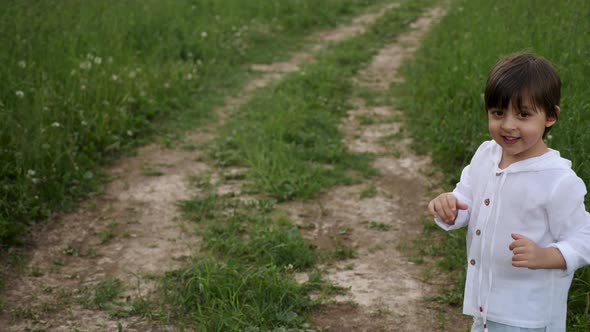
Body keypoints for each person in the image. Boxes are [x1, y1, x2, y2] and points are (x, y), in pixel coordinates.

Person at [427, 52, 590, 332]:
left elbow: (584, 236)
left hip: (528, 316)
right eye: (498, 113)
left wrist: (545, 256)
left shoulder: (558, 180)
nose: (508, 125)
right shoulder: (485, 155)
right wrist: (450, 205)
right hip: (485, 306)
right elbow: (466, 198)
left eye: (524, 114)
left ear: (551, 116)